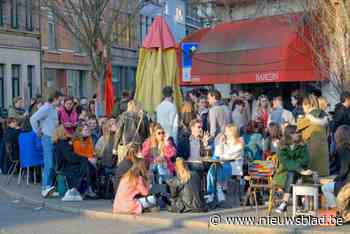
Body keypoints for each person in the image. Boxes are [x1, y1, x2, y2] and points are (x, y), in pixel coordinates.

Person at [30, 91, 62, 198]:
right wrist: (37, 131)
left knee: (52, 163)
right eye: (60, 99)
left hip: (52, 137)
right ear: (55, 98)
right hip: (47, 137)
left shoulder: (52, 108)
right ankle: (45, 187)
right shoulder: (46, 108)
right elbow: (33, 118)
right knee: (49, 163)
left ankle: (49, 188)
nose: (60, 101)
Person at [274, 125, 312, 213]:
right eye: (295, 133)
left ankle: (284, 202)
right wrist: (298, 167)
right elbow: (286, 162)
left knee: (292, 173)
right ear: (288, 134)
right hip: (284, 173)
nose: (298, 134)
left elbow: (306, 160)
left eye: (298, 132)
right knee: (292, 173)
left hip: (301, 173)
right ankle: (299, 204)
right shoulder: (282, 146)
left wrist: (296, 166)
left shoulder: (302, 145)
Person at [53, 126, 95, 201]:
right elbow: (71, 158)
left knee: (85, 164)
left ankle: (86, 188)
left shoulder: (62, 142)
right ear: (62, 132)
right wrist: (84, 158)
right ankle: (82, 188)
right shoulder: (62, 143)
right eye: (66, 130)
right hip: (64, 166)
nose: (68, 132)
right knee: (85, 164)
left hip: (66, 164)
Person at [297, 95, 329, 176]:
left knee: (311, 179)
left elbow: (298, 127)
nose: (302, 107)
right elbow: (328, 132)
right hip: (323, 151)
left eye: (304, 105)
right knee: (322, 176)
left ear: (309, 105)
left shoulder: (308, 117)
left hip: (311, 150)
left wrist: (299, 118)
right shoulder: (324, 114)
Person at [208, 124, 244, 195]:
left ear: (231, 133)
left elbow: (228, 156)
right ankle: (211, 193)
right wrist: (220, 143)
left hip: (234, 167)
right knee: (212, 170)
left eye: (226, 131)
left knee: (218, 169)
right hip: (224, 164)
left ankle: (219, 192)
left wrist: (220, 155)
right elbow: (217, 154)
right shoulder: (226, 142)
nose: (224, 133)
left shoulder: (239, 144)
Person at [321, 125, 350, 209]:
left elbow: (345, 168)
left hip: (347, 183)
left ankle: (336, 211)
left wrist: (335, 179)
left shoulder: (343, 148)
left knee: (325, 188)